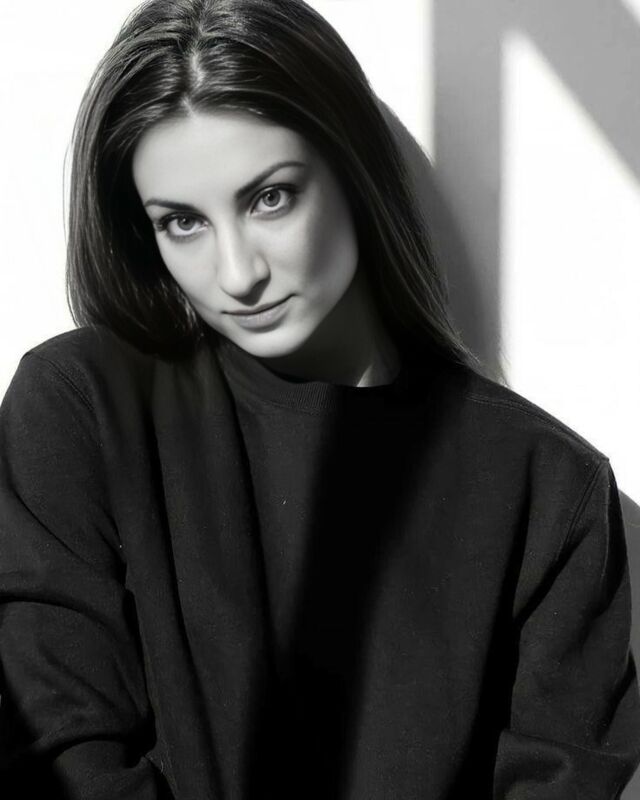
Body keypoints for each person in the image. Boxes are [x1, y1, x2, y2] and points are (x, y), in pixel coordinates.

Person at [0, 0, 639, 797]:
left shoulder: (548, 487)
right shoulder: (82, 408)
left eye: (270, 198)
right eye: (183, 223)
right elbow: (56, 752)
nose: (238, 274)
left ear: (352, 172)